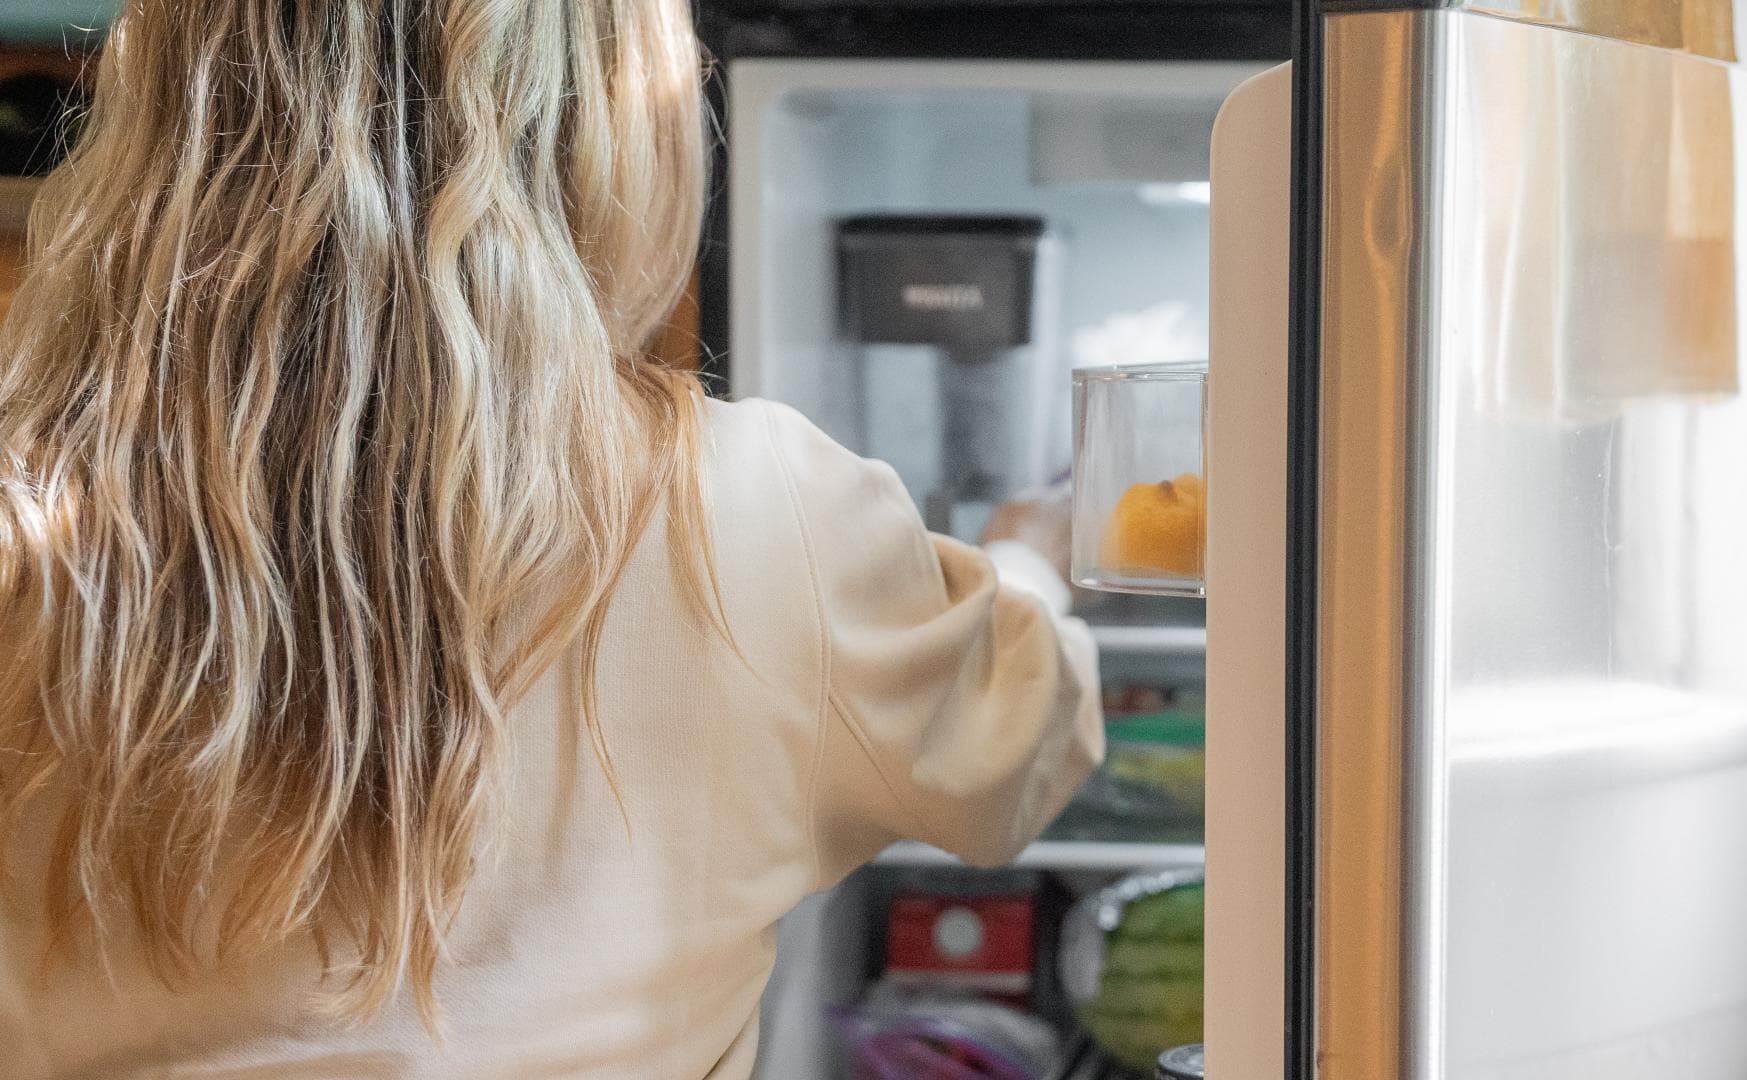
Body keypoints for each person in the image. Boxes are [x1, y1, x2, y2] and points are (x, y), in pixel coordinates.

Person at [0, 1, 1100, 1076]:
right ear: (609, 128)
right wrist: (1028, 567)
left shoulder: (26, 518)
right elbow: (1012, 758)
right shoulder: (759, 514)